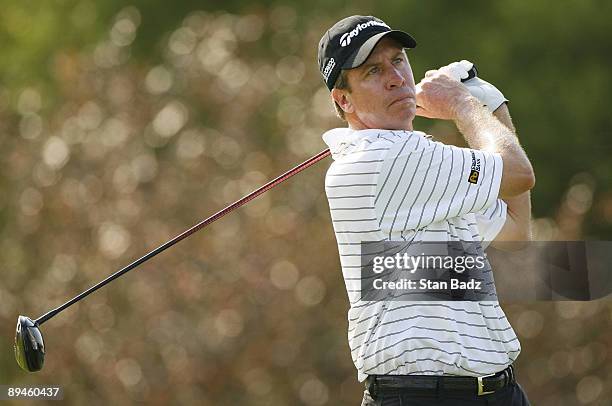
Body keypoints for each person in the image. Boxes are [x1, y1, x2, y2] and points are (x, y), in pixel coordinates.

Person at [317, 15, 534, 405]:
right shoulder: (384, 159)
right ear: (343, 99)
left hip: (495, 391)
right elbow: (518, 173)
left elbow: (517, 233)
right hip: (424, 397)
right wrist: (465, 104)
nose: (396, 77)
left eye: (398, 60)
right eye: (373, 71)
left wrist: (492, 107)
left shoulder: (426, 173)